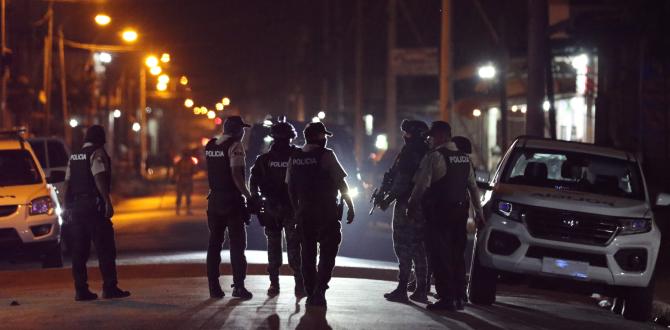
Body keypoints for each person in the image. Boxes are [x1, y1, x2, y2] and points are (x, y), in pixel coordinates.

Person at [408, 121, 485, 311]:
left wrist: (411, 206)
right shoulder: (464, 159)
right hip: (459, 213)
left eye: (431, 136)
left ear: (441, 136)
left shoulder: (434, 157)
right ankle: (459, 296)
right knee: (456, 255)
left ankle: (447, 298)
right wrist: (478, 213)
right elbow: (473, 188)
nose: (429, 140)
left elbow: (421, 186)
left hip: (439, 213)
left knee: (439, 255)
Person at [286, 122, 355, 307]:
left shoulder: (295, 157)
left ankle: (310, 290)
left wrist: (296, 211)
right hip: (327, 212)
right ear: (318, 137)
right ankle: (320, 290)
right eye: (323, 136)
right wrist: (350, 205)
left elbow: (291, 188)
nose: (325, 139)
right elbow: (340, 183)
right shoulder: (326, 155)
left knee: (307, 253)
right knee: (327, 252)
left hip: (305, 212)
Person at [62, 125, 130, 301]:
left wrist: (65, 207)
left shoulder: (74, 156)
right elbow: (98, 176)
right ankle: (109, 287)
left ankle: (81, 290)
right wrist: (107, 201)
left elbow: (66, 183)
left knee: (79, 251)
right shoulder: (97, 153)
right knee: (105, 248)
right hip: (93, 207)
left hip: (76, 208)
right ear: (101, 140)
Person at [249, 121, 305, 297]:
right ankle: (297, 283)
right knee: (292, 247)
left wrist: (256, 199)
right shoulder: (297, 157)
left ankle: (277, 283)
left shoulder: (264, 159)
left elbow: (253, 182)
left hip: (277, 209)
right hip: (288, 209)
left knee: (277, 247)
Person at [378, 120, 430, 303]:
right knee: (419, 247)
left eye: (407, 133)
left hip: (407, 205)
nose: (404, 136)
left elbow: (402, 182)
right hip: (424, 206)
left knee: (403, 246)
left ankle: (402, 288)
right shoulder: (427, 151)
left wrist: (386, 200)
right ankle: (422, 288)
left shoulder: (410, 153)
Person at [204, 116, 253, 299]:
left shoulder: (211, 145)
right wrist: (248, 196)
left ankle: (213, 287)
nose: (243, 133)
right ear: (238, 131)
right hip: (231, 201)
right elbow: (236, 175)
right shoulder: (235, 146)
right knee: (237, 245)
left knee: (214, 244)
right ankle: (238, 287)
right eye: (242, 130)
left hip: (214, 200)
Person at [174, 149, 196, 215]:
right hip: (184, 179)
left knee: (186, 196)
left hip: (184, 179)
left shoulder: (181, 161)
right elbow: (194, 171)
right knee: (181, 196)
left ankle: (183, 210)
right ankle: (180, 210)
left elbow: (176, 170)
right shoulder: (184, 162)